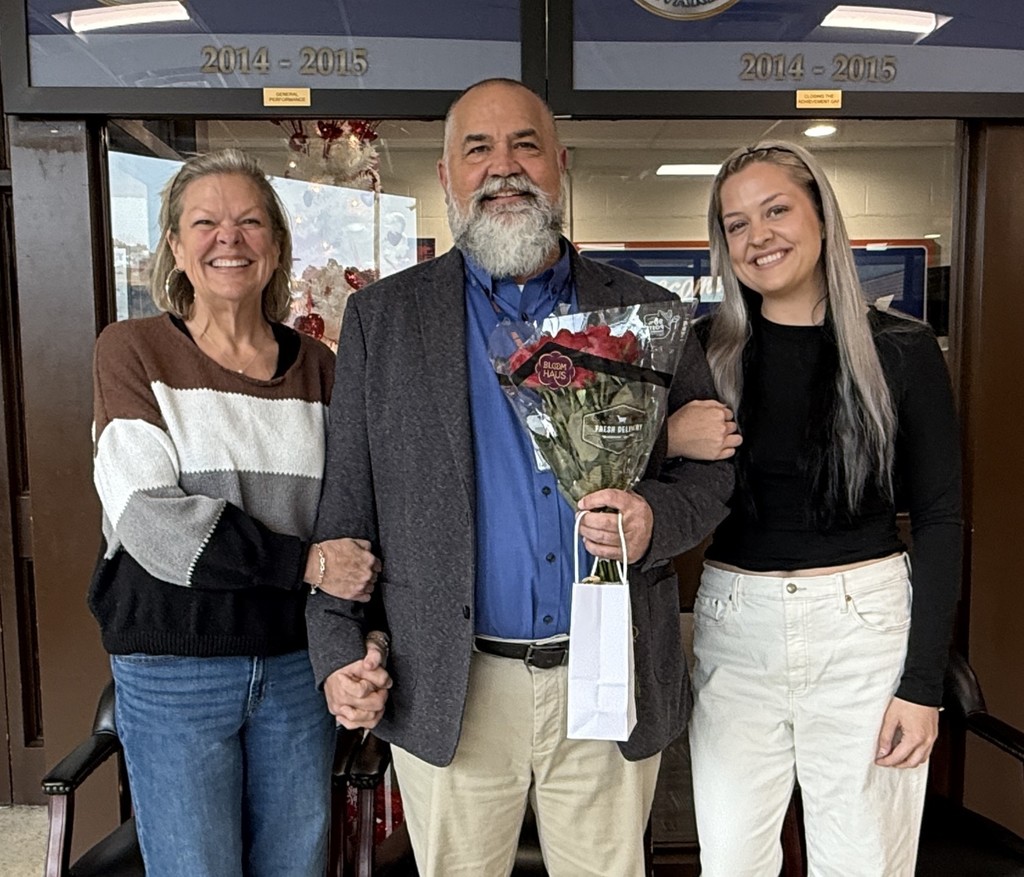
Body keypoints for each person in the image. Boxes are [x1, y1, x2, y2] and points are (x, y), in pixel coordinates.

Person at [306, 78, 734, 877]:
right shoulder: (383, 322)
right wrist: (336, 647)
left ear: (560, 166)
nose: (504, 168)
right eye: (478, 148)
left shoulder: (643, 311)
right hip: (451, 679)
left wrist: (652, 521)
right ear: (444, 177)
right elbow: (347, 501)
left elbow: (706, 478)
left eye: (525, 145)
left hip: (607, 671)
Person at [666, 140, 962, 876]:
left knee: (863, 861)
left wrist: (922, 686)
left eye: (775, 211)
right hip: (737, 626)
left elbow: (942, 518)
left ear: (822, 217)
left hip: (864, 628)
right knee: (732, 861)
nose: (757, 236)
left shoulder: (901, 350)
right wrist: (668, 435)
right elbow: (643, 488)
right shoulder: (703, 351)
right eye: (735, 224)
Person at [89, 148, 380, 877]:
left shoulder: (321, 368)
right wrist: (306, 563)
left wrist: (361, 638)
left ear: (277, 246)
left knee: (297, 864)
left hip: (290, 663)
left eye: (251, 221)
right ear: (175, 246)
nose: (230, 238)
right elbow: (151, 520)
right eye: (206, 222)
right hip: (174, 663)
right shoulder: (133, 351)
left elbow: (353, 517)